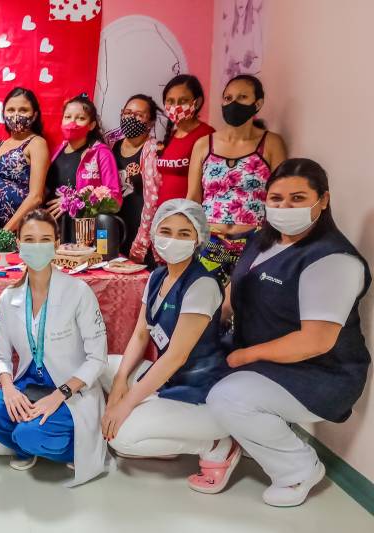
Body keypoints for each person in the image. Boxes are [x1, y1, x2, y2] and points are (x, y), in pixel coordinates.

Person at [207, 159, 370, 507]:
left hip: (321, 372)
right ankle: (248, 438)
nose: (284, 208)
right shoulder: (263, 240)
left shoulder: (332, 260)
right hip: (265, 356)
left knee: (226, 397)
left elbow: (315, 341)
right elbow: (235, 290)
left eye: (298, 198)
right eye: (276, 198)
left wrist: (244, 356)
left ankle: (298, 468)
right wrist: (214, 322)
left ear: (323, 200)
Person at [100, 199, 240, 494]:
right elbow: (140, 335)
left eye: (184, 234)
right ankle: (159, 430)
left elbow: (175, 357)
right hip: (170, 378)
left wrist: (125, 403)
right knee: (105, 368)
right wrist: (120, 382)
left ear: (198, 239)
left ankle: (215, 444)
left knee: (122, 438)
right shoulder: (157, 276)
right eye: (166, 231)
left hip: (198, 390)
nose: (173, 240)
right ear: (153, 233)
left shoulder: (201, 284)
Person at [0, 210, 108, 487]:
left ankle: (66, 447)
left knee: (29, 434)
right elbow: (1, 358)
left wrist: (59, 395)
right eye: (29, 240)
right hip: (28, 385)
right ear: (19, 244)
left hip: (69, 388)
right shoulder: (8, 297)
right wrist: (9, 389)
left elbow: (97, 358)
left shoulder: (78, 292)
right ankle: (30, 443)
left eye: (45, 239)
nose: (37, 246)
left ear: (57, 244)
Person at [187, 75, 287, 286]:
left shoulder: (271, 143)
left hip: (255, 241)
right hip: (209, 240)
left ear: (257, 103)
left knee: (245, 304)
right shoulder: (204, 144)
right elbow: (193, 197)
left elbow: (280, 196)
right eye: (228, 97)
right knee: (206, 303)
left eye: (242, 97)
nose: (233, 103)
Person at [0, 87, 50, 236]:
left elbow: (36, 196)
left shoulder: (36, 143)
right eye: (10, 110)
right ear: (4, 114)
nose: (16, 115)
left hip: (15, 231)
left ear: (34, 115)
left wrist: (5, 232)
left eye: (23, 110)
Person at [45, 94, 121, 243]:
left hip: (82, 231)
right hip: (53, 228)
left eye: (80, 118)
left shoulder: (101, 153)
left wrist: (73, 201)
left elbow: (115, 198)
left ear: (91, 125)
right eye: (67, 117)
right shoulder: (57, 150)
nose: (72, 123)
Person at [111, 94, 161, 267]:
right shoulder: (111, 146)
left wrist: (142, 241)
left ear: (151, 122)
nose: (131, 118)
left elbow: (154, 199)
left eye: (139, 115)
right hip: (114, 230)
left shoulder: (153, 150)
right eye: (127, 112)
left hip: (141, 235)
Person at [156, 75, 214, 207]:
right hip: (163, 215)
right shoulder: (170, 136)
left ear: (197, 102)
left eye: (183, 101)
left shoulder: (206, 135)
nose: (176, 106)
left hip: (187, 216)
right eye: (170, 101)